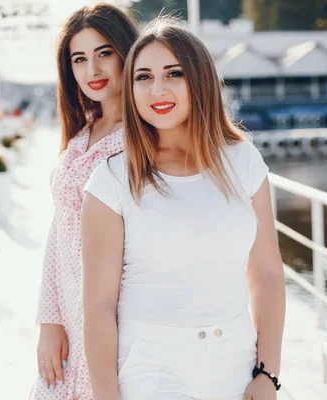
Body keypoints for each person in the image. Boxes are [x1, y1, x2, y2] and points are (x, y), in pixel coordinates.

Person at [81, 17, 286, 400]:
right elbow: (98, 304)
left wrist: (268, 374)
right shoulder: (110, 181)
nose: (157, 89)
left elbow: (268, 274)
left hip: (236, 361)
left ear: (199, 79)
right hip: (151, 366)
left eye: (173, 73)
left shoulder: (243, 162)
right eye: (143, 77)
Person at [32, 3, 139, 399]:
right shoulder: (84, 133)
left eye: (104, 53)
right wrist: (49, 321)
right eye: (80, 59)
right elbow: (59, 232)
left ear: (127, 51)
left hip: (116, 322)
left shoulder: (140, 139)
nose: (92, 70)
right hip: (70, 321)